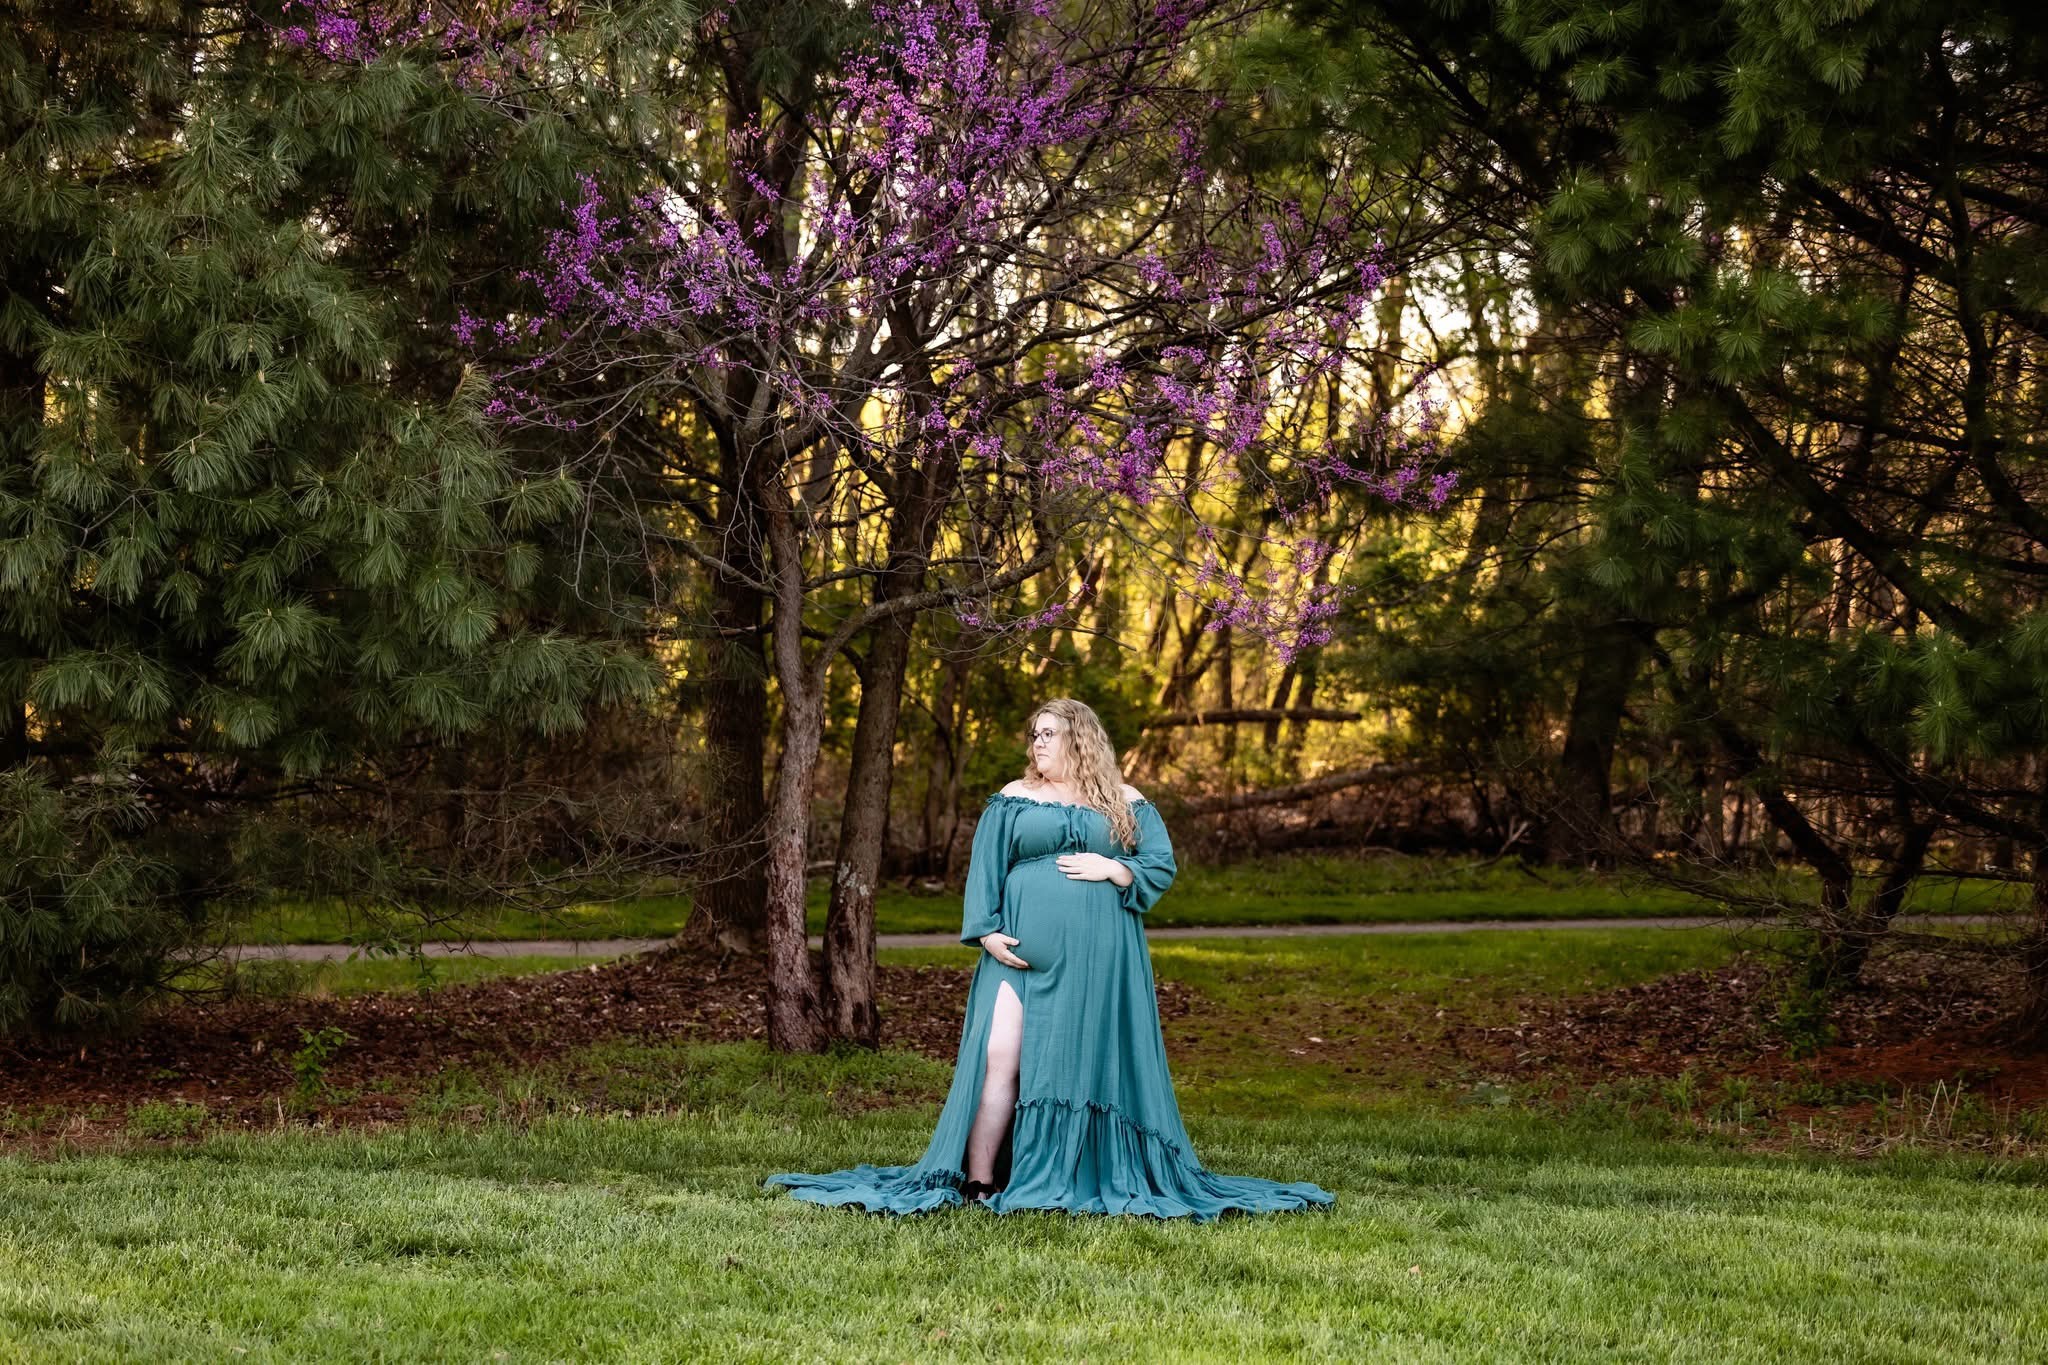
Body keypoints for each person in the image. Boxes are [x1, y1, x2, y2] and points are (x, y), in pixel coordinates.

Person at [764, 697, 1335, 1220]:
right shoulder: (1014, 798)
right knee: (1000, 1058)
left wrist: (1116, 868)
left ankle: (1068, 1171)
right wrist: (986, 933)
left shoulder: (1125, 800)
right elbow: (984, 871)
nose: (1037, 744)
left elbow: (1160, 861)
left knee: (1085, 1058)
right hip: (1018, 959)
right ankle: (979, 1181)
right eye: (1034, 734)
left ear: (1081, 740)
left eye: (1049, 734)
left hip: (1101, 959)